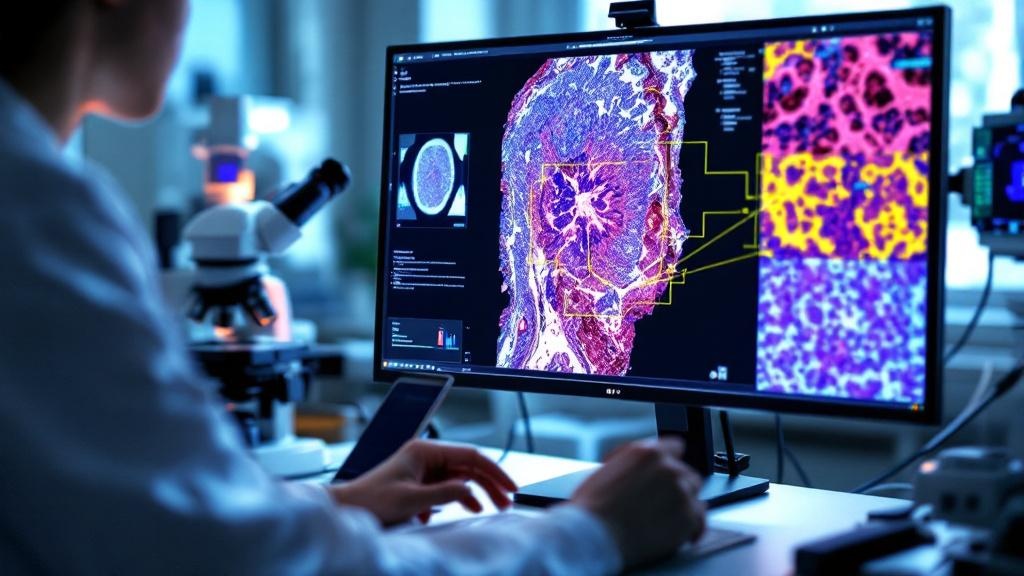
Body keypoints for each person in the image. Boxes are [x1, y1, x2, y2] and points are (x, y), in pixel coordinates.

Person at [0, 1, 706, 574]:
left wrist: (340, 505)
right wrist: (594, 532)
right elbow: (248, 566)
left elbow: (159, 529)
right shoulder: (34, 209)